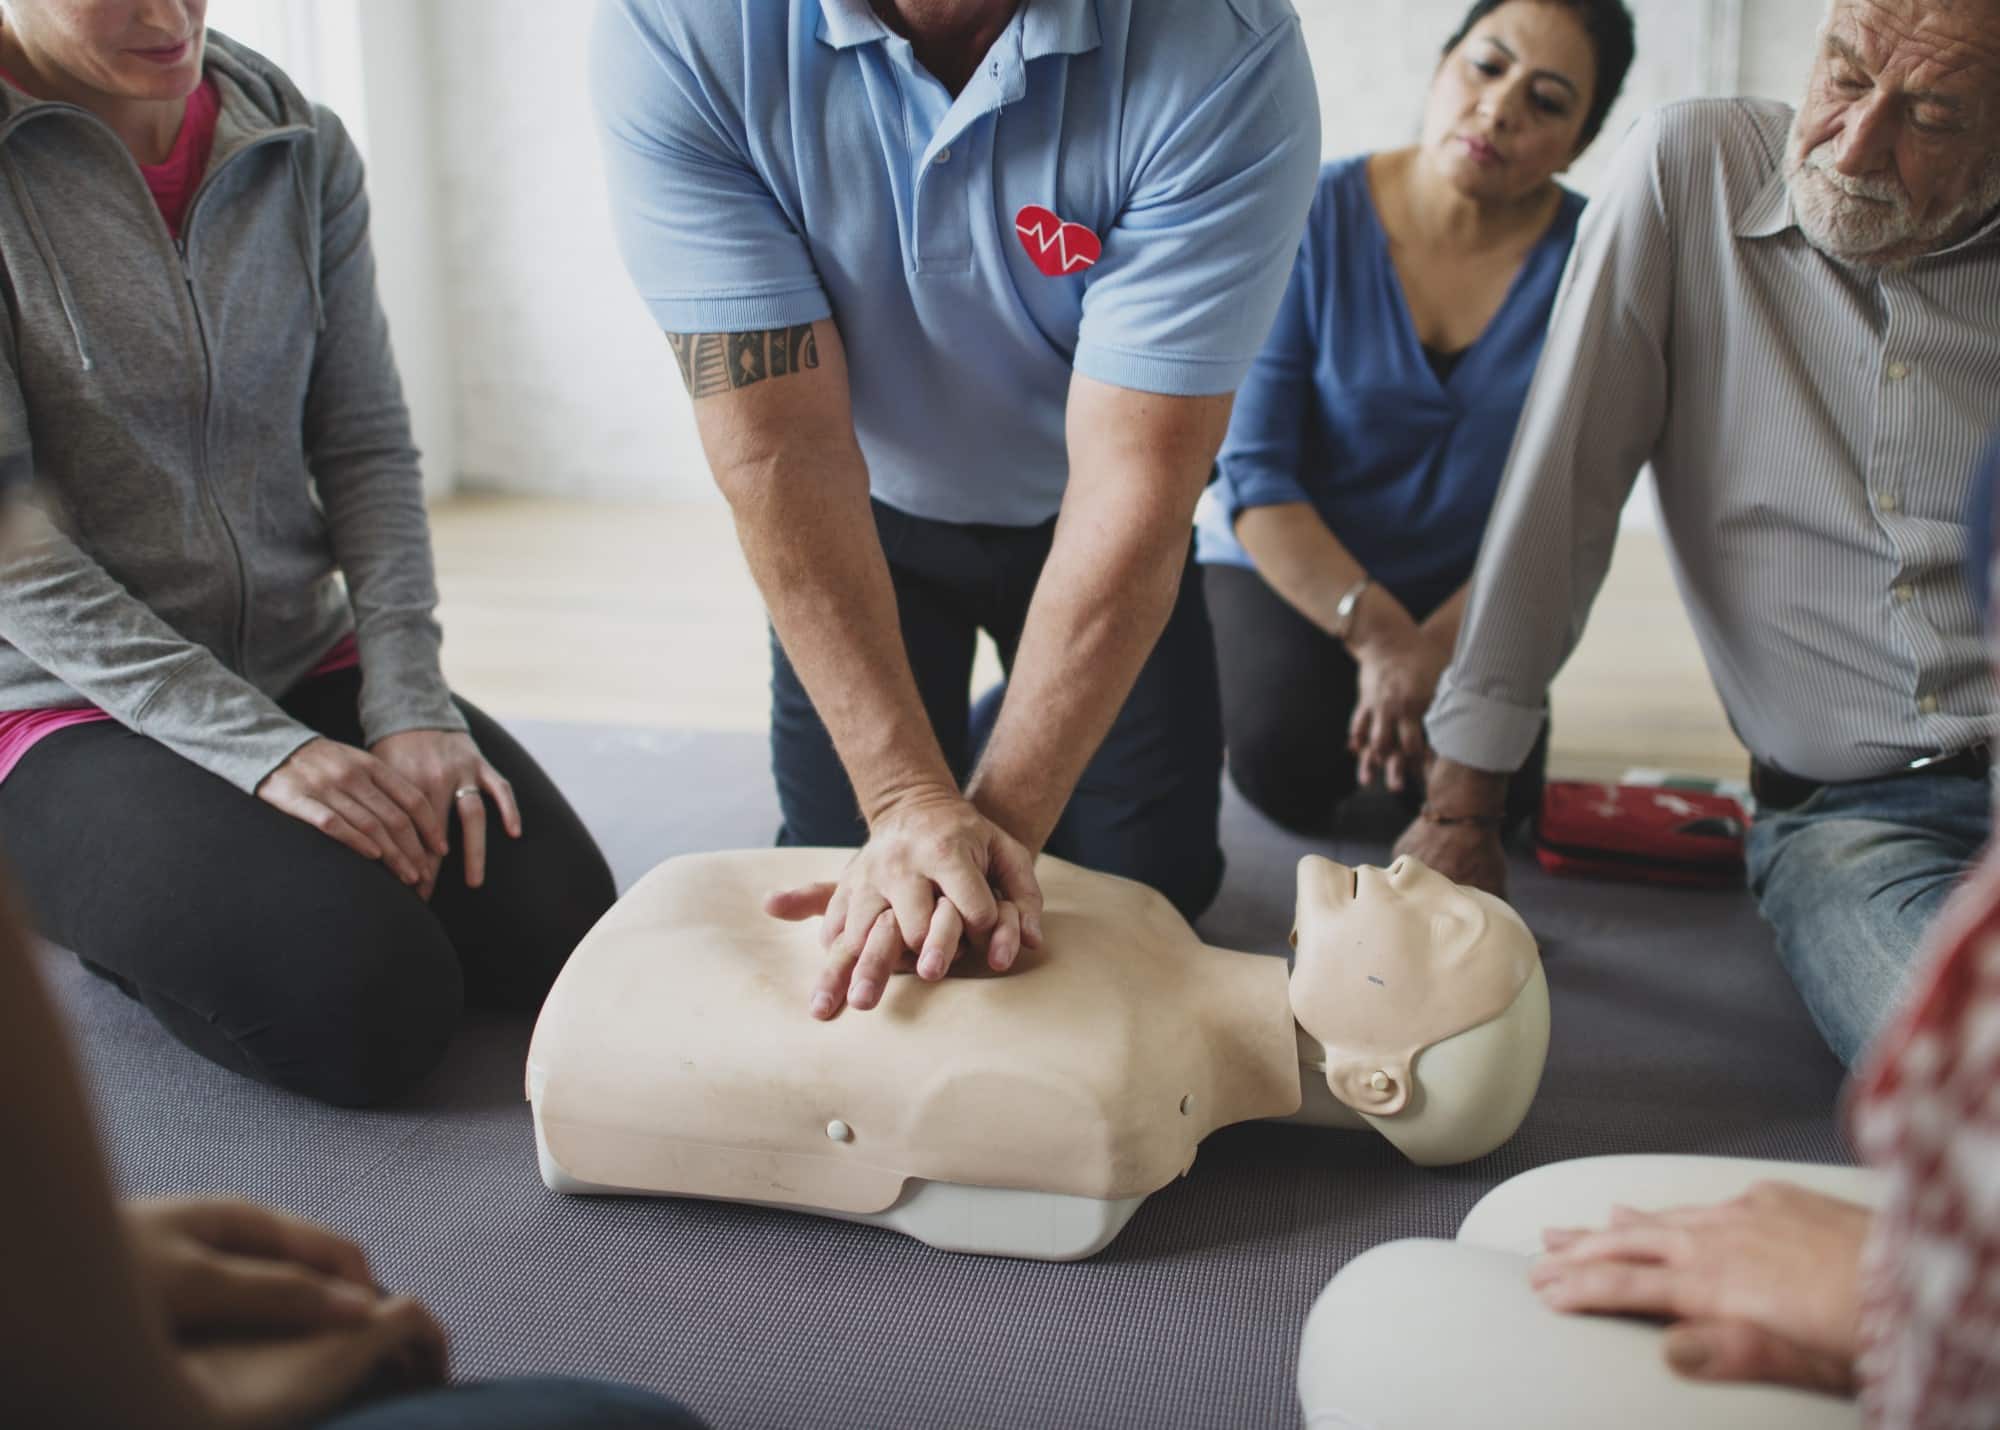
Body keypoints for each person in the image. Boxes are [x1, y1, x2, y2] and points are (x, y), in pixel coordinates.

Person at [591, 0, 1321, 1019]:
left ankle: (994, 728)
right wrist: (902, 799)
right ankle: (963, 739)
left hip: (1085, 522)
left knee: (1154, 894)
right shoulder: (683, 23)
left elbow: (1136, 480)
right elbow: (778, 447)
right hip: (863, 512)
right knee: (840, 886)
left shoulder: (1221, 49)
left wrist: (996, 826)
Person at [0, 0, 616, 1107]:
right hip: (58, 700)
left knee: (559, 935)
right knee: (364, 1012)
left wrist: (410, 703)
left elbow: (365, 444)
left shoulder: (293, 142)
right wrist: (264, 755)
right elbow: (11, 551)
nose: (167, 14)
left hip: (292, 646)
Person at [1395, 0, 2000, 1066]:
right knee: (1970, 1086)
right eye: (1846, 76)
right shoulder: (1689, 173)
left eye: (1934, 116)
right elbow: (1561, 489)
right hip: (1857, 816)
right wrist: (1461, 805)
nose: (1854, 143)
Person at [1195, 0, 1634, 836]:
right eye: (1487, 65)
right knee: (1286, 763)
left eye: (1547, 101)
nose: (1500, 107)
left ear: (1580, 141)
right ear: (1442, 67)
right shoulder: (1308, 215)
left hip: (1472, 593)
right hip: (1292, 567)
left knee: (1496, 799)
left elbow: (1571, 503)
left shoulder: (1596, 266)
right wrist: (1384, 641)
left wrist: (1438, 646)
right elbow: (1254, 472)